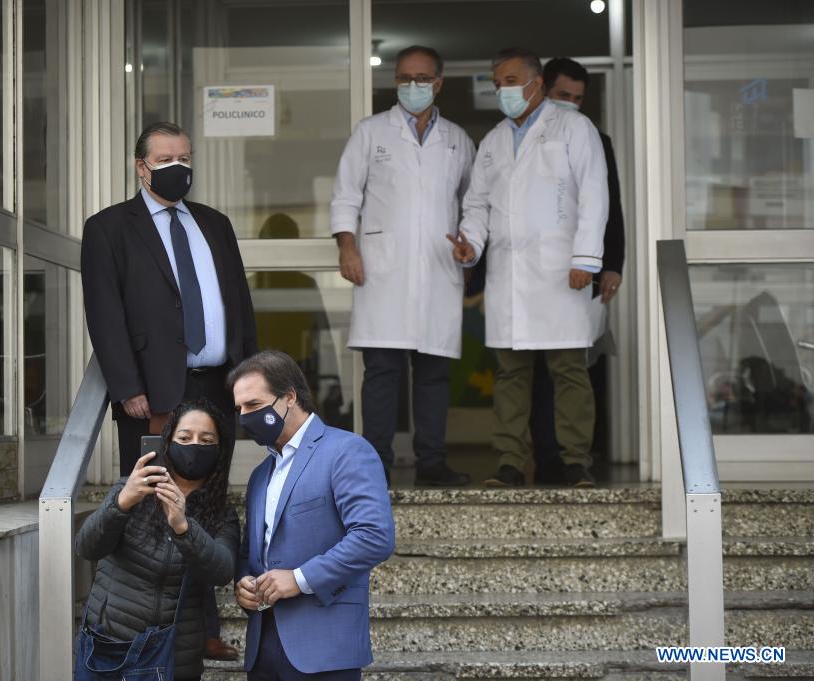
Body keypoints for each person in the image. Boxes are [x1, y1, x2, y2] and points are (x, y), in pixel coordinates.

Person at [80, 121, 255, 660]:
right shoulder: (109, 227)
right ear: (142, 167)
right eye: (166, 158)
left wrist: (247, 381)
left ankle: (203, 630)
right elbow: (104, 312)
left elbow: (239, 305)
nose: (180, 166)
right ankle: (146, 634)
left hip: (215, 385)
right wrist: (125, 387)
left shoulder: (215, 224)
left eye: (186, 156)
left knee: (208, 508)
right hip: (152, 394)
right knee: (154, 510)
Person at [452, 48, 608, 488]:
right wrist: (472, 245)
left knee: (570, 373)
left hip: (562, 272)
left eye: (509, 80)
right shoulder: (494, 141)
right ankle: (508, 461)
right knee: (511, 375)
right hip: (510, 276)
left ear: (536, 84)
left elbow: (595, 196)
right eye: (497, 80)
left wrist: (586, 260)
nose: (502, 89)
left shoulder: (574, 128)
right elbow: (477, 203)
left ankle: (576, 460)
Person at [330, 45, 476, 487]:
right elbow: (345, 195)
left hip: (437, 270)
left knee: (432, 373)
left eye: (421, 78)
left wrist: (471, 243)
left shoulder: (457, 139)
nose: (412, 86)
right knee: (382, 373)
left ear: (439, 82)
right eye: (404, 78)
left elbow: (475, 202)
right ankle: (376, 466)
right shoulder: (371, 132)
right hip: (383, 270)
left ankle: (432, 462)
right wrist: (347, 247)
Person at [230, 350, 395, 680]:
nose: (244, 416)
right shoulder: (261, 474)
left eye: (253, 405)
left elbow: (374, 536)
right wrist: (243, 583)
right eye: (239, 409)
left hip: (325, 650)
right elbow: (253, 549)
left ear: (289, 397)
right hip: (263, 650)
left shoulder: (346, 450)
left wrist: (299, 578)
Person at [74, 398, 240, 681]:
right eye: (185, 437)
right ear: (168, 442)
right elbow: (87, 547)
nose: (194, 446)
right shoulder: (131, 487)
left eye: (206, 440)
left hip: (172, 656)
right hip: (107, 647)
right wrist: (123, 502)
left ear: (219, 450)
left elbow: (222, 570)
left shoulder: (222, 514)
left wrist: (183, 527)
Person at [530, 57, 627, 484]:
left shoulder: (596, 139)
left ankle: (578, 458)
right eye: (562, 95)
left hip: (581, 271)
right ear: (542, 90)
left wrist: (611, 264)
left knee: (575, 365)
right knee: (532, 368)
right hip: (530, 272)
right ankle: (545, 456)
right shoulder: (520, 136)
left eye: (578, 98)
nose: (570, 104)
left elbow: (610, 207)